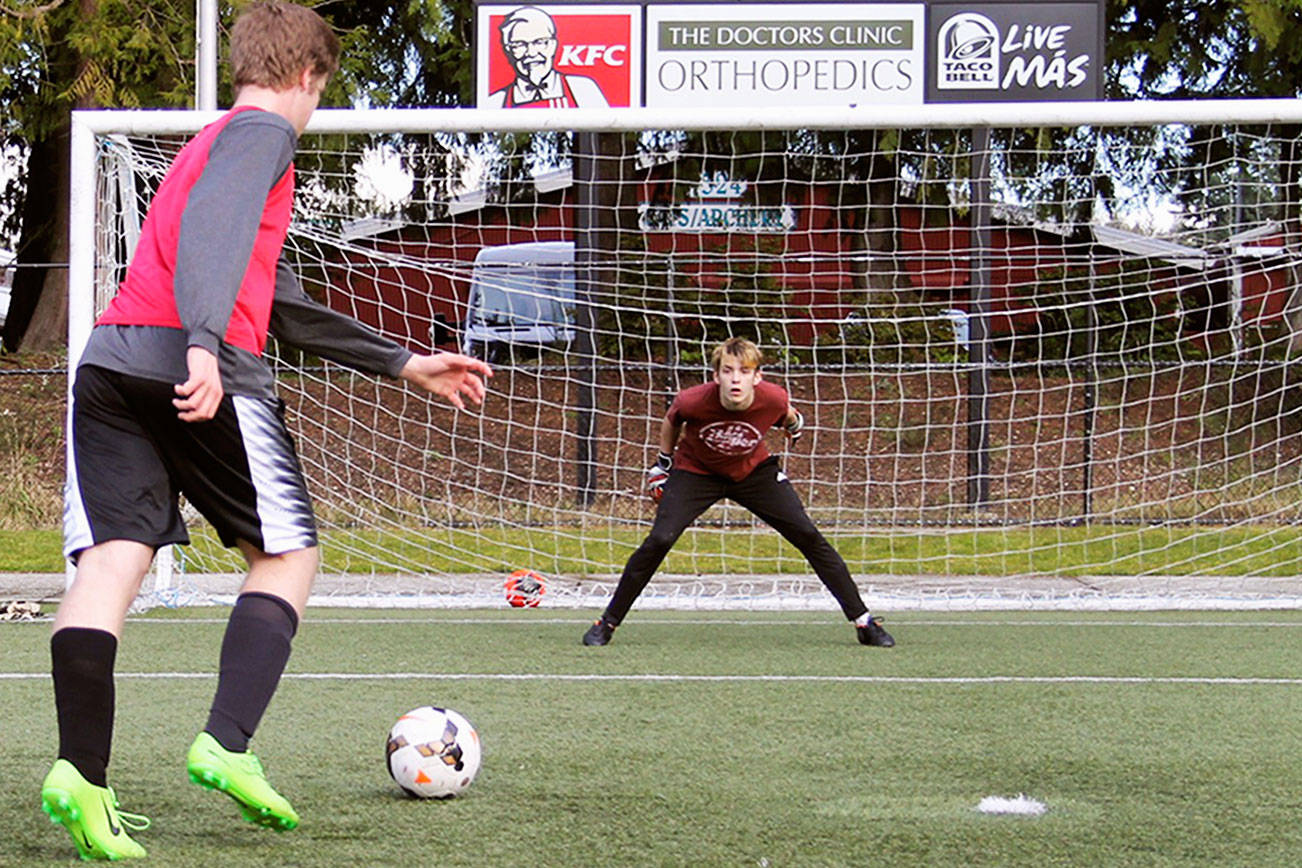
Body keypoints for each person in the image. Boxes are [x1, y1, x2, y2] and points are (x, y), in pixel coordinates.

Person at [40, 3, 492, 861]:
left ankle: (80, 778)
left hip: (108, 365)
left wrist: (399, 362)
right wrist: (205, 346)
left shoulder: (205, 149)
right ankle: (226, 744)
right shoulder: (259, 136)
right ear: (309, 76)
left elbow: (274, 294)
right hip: (192, 363)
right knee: (287, 556)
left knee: (110, 565)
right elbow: (215, 242)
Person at [582, 338, 895, 649]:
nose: (735, 378)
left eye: (744, 371)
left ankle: (864, 622)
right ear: (716, 376)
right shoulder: (692, 400)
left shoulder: (772, 398)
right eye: (728, 371)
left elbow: (787, 414)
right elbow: (671, 421)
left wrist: (795, 425)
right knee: (660, 539)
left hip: (753, 472)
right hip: (696, 472)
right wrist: (662, 465)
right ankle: (607, 622)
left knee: (807, 534)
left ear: (756, 377)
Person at [484, 5, 610, 109]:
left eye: (539, 42)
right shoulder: (495, 103)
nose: (531, 53)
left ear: (553, 45)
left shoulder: (583, 88)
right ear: (508, 50)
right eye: (520, 45)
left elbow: (608, 129)